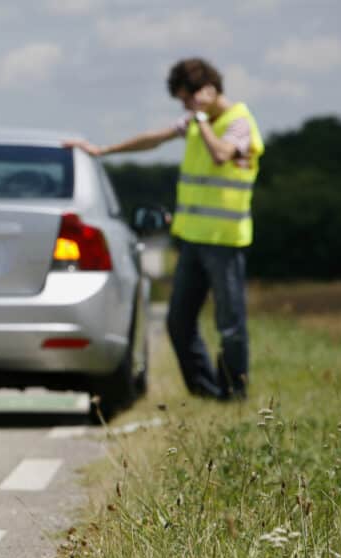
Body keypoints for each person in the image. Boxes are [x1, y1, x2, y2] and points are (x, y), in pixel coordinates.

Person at [65, 57, 264, 401]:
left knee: (230, 325)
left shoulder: (238, 122)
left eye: (188, 99)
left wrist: (200, 119)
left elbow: (220, 155)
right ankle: (207, 393)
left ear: (208, 91)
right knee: (178, 322)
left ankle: (234, 395)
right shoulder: (196, 120)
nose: (185, 107)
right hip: (191, 240)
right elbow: (154, 139)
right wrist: (105, 150)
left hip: (224, 241)